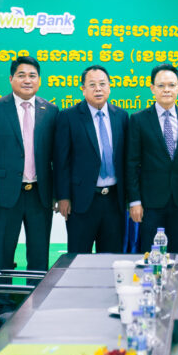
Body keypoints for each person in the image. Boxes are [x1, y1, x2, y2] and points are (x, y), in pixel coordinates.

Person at [0, 56, 57, 273]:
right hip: (4, 196)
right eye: (21, 75)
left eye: (32, 76)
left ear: (39, 80)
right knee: (2, 257)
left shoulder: (50, 111)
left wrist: (56, 194)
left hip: (39, 195)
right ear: (11, 79)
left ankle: (36, 294)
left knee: (39, 257)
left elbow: (57, 157)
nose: (27, 80)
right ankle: (2, 296)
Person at [126, 64, 178, 253]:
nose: (166, 90)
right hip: (150, 202)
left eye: (171, 85)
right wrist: (135, 201)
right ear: (152, 88)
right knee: (151, 253)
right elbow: (131, 163)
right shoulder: (139, 119)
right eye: (161, 85)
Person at [55, 65, 128, 253]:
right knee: (78, 258)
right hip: (82, 201)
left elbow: (126, 159)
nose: (98, 89)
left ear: (109, 87)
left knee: (111, 258)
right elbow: (61, 161)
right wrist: (63, 197)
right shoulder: (68, 117)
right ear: (83, 88)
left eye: (102, 84)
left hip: (114, 201)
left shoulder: (121, 116)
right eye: (92, 85)